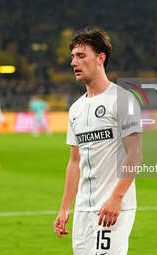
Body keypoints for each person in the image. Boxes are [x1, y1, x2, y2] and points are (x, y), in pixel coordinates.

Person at [53, 28, 143, 255]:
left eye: (81, 56)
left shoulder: (123, 99)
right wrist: (65, 208)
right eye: (72, 56)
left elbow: (135, 154)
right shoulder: (76, 109)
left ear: (100, 58)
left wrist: (116, 198)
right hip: (84, 211)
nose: (74, 62)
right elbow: (75, 162)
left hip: (112, 207)